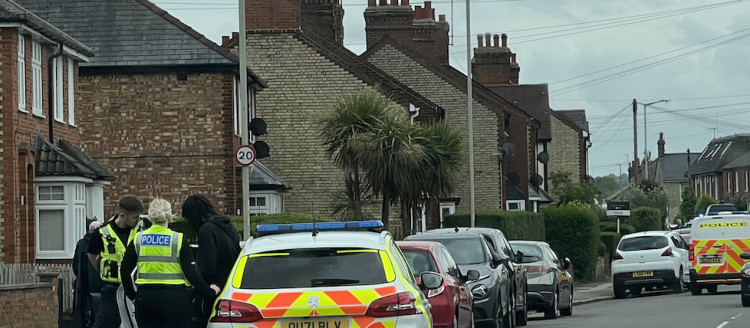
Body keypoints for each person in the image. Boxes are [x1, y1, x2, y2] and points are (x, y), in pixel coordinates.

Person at [120, 198, 220, 328]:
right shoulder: (177, 239)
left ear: (150, 216)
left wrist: (133, 295)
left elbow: (124, 270)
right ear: (169, 215)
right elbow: (192, 273)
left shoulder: (138, 239)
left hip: (146, 299)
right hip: (176, 301)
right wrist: (209, 291)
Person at [181, 194, 241, 327]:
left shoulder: (206, 231)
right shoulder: (228, 225)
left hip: (213, 290)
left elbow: (207, 267)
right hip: (230, 286)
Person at [87, 196, 143, 328]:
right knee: (105, 323)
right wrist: (101, 269)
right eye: (135, 217)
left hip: (136, 288)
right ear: (123, 215)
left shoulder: (142, 230)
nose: (138, 220)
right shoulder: (101, 232)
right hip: (111, 288)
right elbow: (91, 254)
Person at [73, 221, 103, 327]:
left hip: (83, 283)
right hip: (99, 283)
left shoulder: (81, 244)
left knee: (82, 310)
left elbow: (75, 264)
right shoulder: (102, 242)